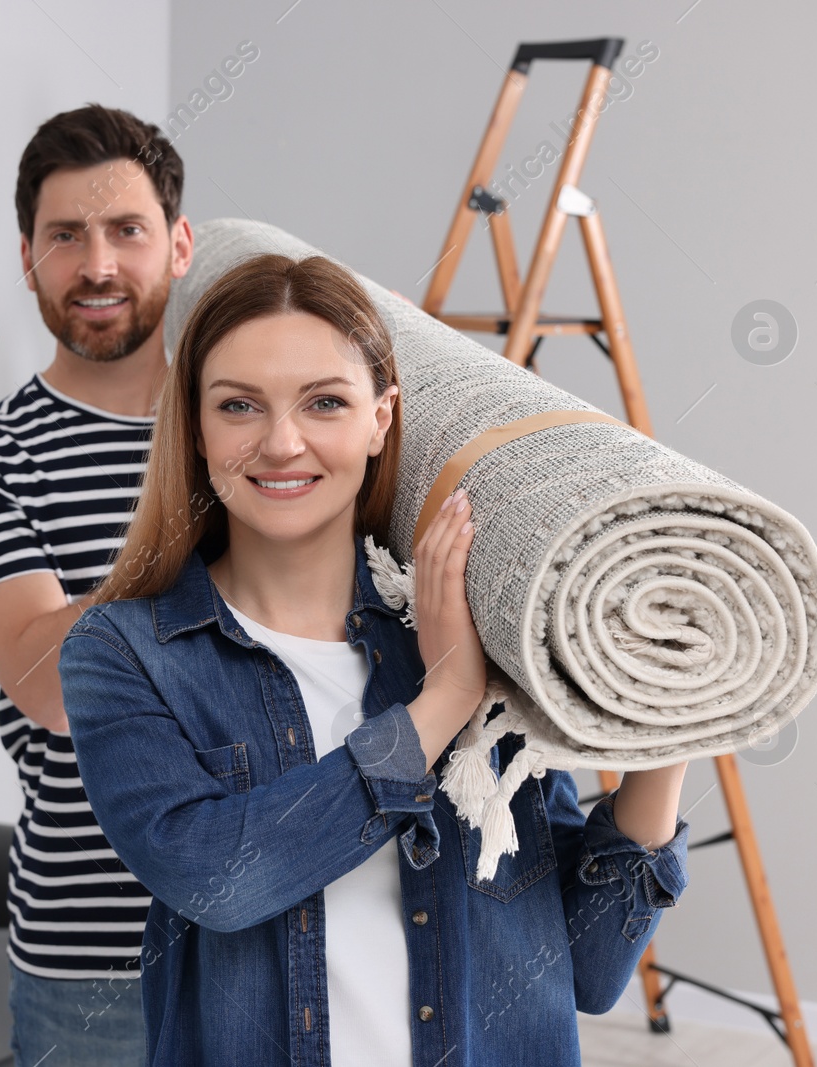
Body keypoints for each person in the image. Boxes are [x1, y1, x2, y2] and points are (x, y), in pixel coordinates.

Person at [57, 251, 692, 1065]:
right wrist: (441, 701)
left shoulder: (473, 621)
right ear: (195, 424)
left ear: (381, 417)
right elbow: (219, 879)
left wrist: (672, 725)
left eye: (325, 401)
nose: (282, 443)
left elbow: (589, 968)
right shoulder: (124, 652)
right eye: (240, 405)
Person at [0, 104, 192, 1066]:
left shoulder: (250, 426)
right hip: (93, 956)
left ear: (180, 243)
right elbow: (47, 681)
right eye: (66, 236)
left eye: (127, 230)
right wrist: (213, 521)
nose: (100, 265)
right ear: (28, 258)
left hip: (285, 909)